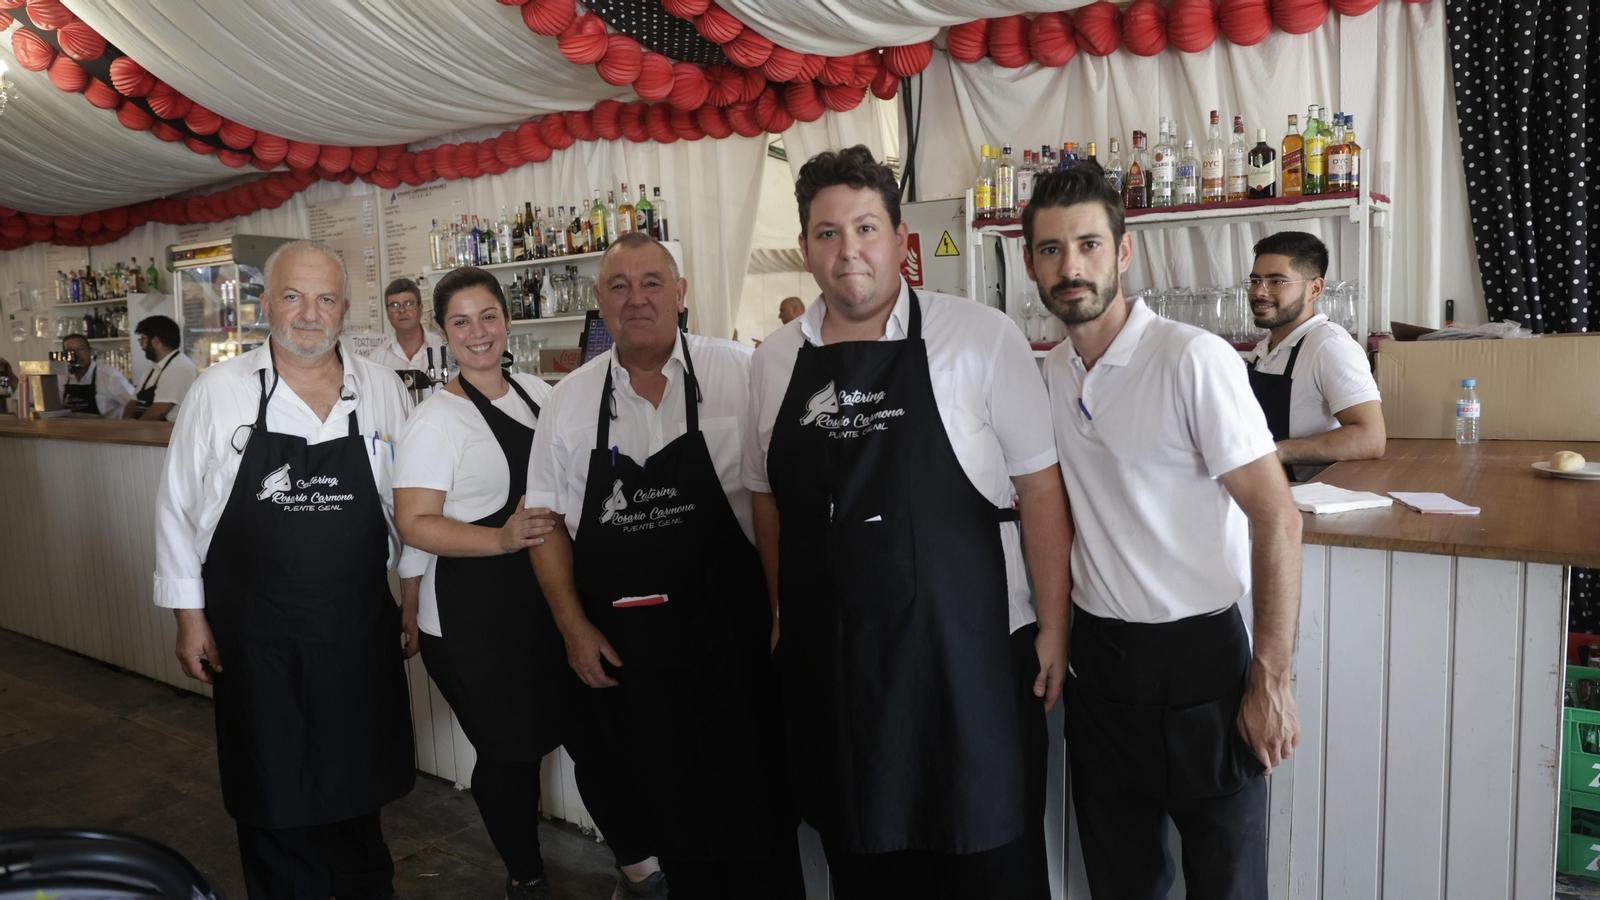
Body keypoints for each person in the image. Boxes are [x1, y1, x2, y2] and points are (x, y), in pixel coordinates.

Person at [744, 146, 1072, 899]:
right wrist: (778, 610)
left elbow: (1041, 490)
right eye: (827, 233)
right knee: (868, 861)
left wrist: (1053, 628)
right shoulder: (772, 362)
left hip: (970, 660)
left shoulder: (980, 337)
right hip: (839, 667)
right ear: (805, 249)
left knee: (990, 858)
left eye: (865, 228)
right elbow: (766, 496)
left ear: (898, 238)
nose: (847, 250)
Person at [1024, 166, 1302, 899]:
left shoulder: (1191, 358)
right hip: (1100, 669)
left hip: (1202, 666)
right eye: (1051, 250)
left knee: (1228, 885)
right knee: (1121, 884)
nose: (1070, 266)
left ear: (1123, 253)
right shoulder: (1047, 375)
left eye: (1088, 244)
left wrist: (1270, 678)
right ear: (1029, 264)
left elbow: (1277, 514)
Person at [527, 232, 802, 900]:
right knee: (671, 820)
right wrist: (571, 627)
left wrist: (780, 614)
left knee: (761, 822)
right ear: (599, 303)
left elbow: (790, 497)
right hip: (632, 659)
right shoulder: (569, 401)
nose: (637, 299)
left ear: (682, 295)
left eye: (652, 283)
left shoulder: (743, 372)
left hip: (735, 648)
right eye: (619, 287)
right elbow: (544, 526)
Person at [153, 240, 423, 900]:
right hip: (256, 636)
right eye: (294, 297)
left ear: (346, 310)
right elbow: (176, 510)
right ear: (267, 303)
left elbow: (413, 506)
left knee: (359, 785)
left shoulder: (380, 389)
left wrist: (414, 599)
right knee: (273, 784)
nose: (309, 314)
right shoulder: (220, 392)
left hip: (356, 628)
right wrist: (190, 619)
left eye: (325, 299)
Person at [393, 266, 657, 900]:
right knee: (511, 754)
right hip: (471, 621)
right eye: (460, 322)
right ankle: (526, 877)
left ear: (507, 320)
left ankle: (639, 869)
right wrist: (501, 538)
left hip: (550, 602)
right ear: (443, 333)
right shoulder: (435, 421)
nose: (477, 332)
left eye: (488, 316)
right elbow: (414, 523)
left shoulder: (542, 392)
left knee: (596, 738)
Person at [1244, 231, 1385, 481]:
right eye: (1256, 281)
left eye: (1276, 282)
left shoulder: (1329, 346)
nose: (1259, 292)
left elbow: (1370, 438)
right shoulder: (1262, 350)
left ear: (1314, 289)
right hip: (1267, 488)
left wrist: (1272, 453)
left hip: (1309, 501)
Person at [365, 277, 446, 390]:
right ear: (387, 313)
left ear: (421, 308)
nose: (402, 310)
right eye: (394, 305)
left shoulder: (445, 350)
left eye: (408, 303)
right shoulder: (376, 360)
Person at [125, 315, 199, 421]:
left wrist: (135, 430)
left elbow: (160, 411)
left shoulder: (179, 367)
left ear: (155, 341)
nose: (142, 346)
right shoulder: (151, 369)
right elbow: (133, 401)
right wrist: (126, 422)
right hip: (146, 432)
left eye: (143, 339)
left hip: (166, 434)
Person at [58, 333, 134, 418]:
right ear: (64, 355)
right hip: (71, 429)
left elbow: (134, 404)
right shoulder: (60, 377)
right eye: (70, 351)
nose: (77, 355)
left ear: (90, 351)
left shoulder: (110, 376)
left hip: (106, 430)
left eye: (81, 349)